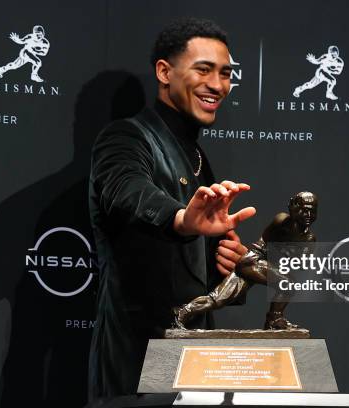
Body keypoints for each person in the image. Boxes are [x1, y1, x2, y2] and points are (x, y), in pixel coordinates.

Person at [87, 18, 256, 399]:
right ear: (165, 72)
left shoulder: (197, 157)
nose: (217, 84)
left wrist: (228, 265)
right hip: (138, 363)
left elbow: (189, 275)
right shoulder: (126, 137)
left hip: (196, 365)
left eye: (226, 73)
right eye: (204, 69)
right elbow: (126, 191)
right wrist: (181, 218)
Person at [173, 192, 318, 330]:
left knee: (218, 298)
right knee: (286, 283)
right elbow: (263, 243)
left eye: (313, 212)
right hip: (252, 260)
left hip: (259, 264)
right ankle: (274, 320)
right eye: (304, 211)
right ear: (292, 207)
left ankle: (183, 311)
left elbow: (297, 266)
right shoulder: (281, 221)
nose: (308, 216)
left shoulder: (309, 239)